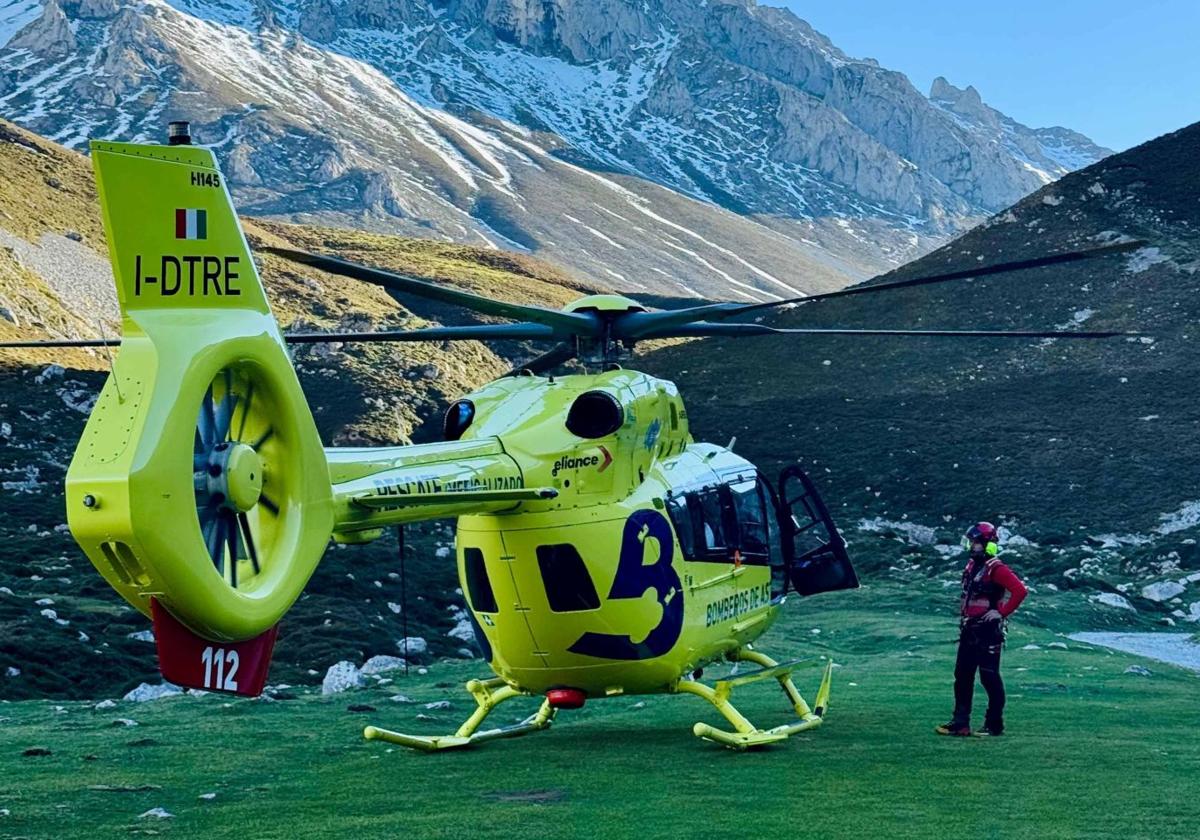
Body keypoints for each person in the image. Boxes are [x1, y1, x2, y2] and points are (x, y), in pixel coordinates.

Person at [935, 521, 1028, 737]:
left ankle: (994, 724)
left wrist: (1001, 612)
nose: (971, 546)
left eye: (975, 542)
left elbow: (1020, 591)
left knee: (989, 676)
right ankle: (960, 723)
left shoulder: (997, 569)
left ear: (986, 543)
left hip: (988, 631)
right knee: (962, 675)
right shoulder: (971, 566)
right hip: (969, 630)